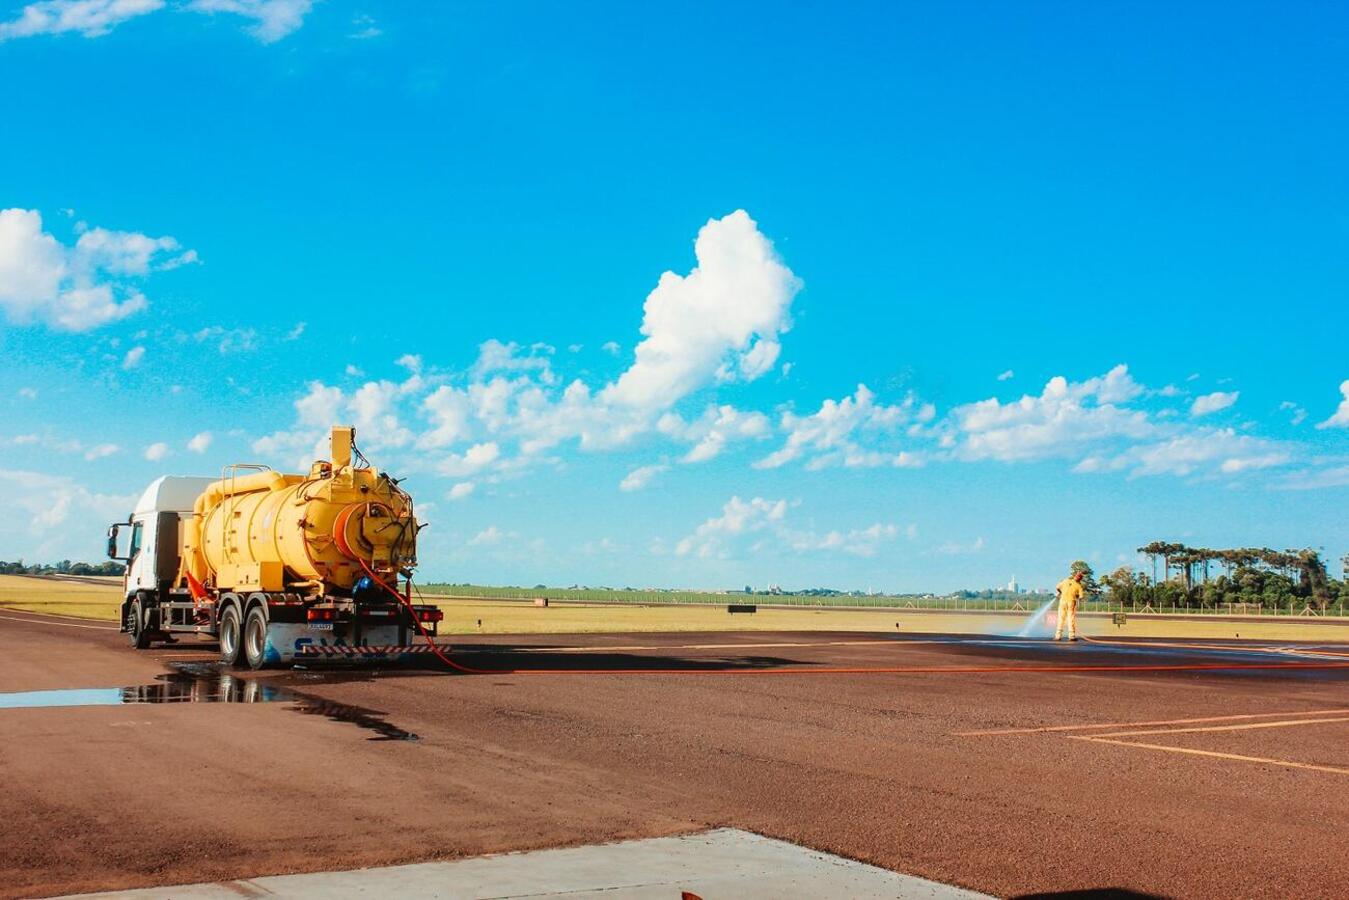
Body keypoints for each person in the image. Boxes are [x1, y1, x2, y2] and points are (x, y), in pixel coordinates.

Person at [1053, 570, 1086, 641]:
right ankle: (1072, 636)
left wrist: (1061, 592)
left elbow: (1057, 587)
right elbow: (1081, 597)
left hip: (1063, 601)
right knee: (1071, 618)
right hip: (1071, 602)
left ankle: (1058, 636)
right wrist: (1077, 596)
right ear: (1080, 579)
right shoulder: (1079, 586)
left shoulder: (1065, 581)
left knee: (1061, 618)